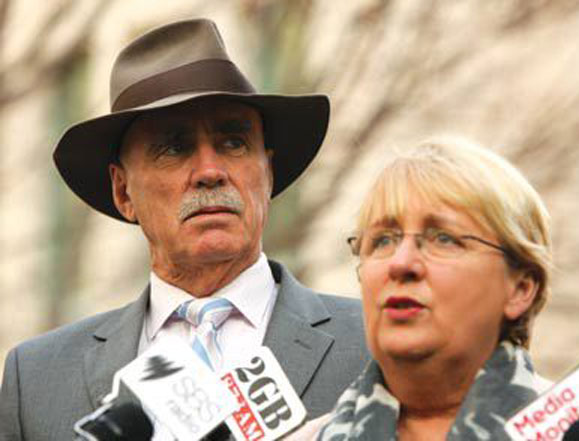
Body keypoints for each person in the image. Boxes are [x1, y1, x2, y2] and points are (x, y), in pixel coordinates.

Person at [0, 19, 368, 440]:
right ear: (123, 192)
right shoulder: (37, 381)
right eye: (174, 148)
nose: (210, 171)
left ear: (268, 172)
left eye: (233, 143)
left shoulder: (373, 347)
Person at [289, 137, 553, 440]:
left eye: (443, 238)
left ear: (520, 289)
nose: (401, 263)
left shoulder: (576, 425)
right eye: (383, 240)